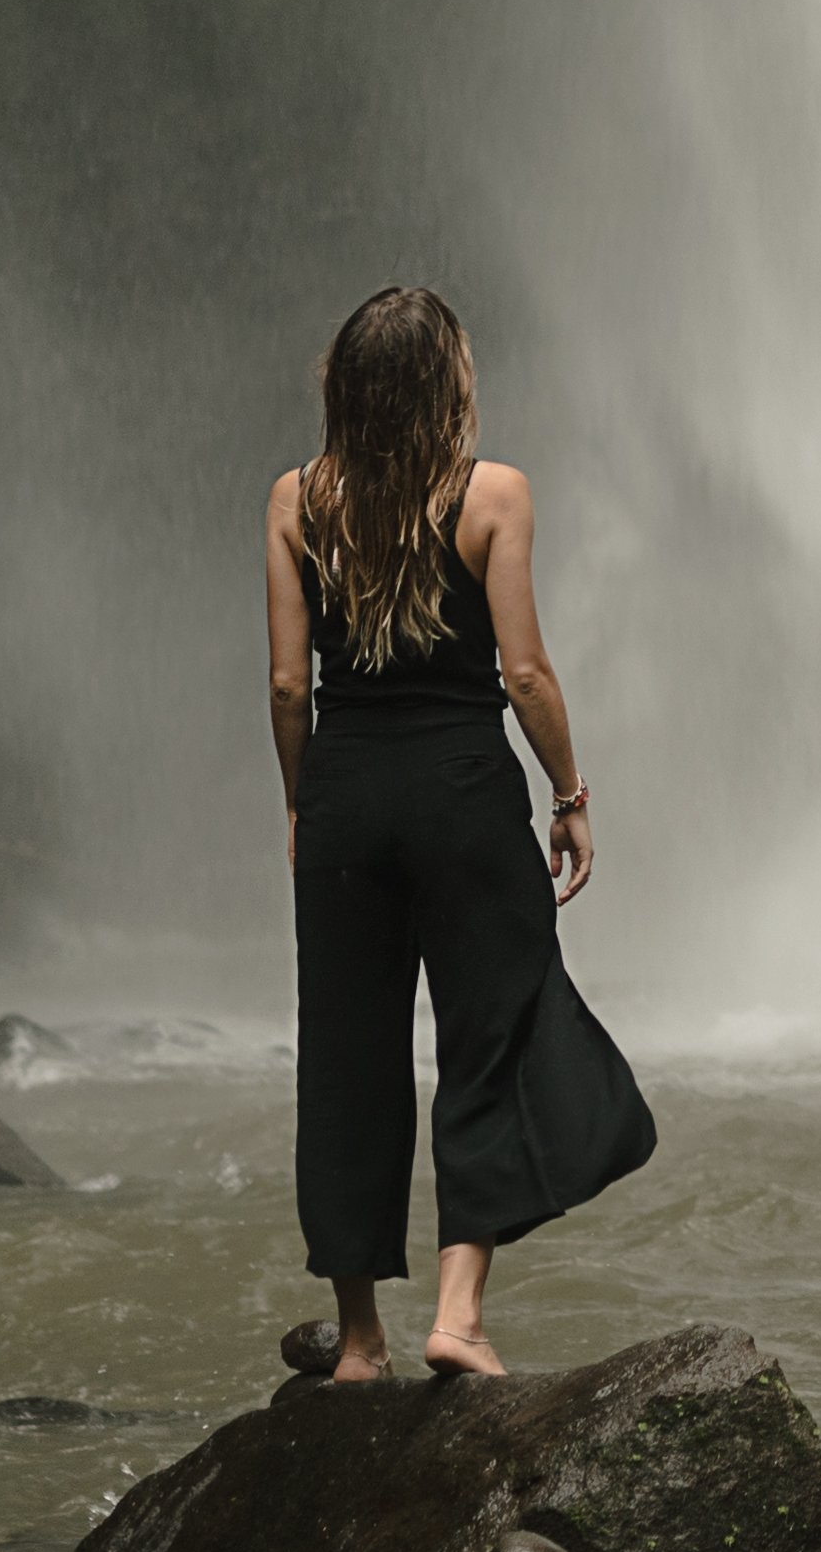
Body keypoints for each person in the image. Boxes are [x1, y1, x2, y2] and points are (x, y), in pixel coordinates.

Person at [267, 282, 643, 1381]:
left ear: (344, 385)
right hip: (467, 792)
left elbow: (291, 683)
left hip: (345, 792)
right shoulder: (492, 495)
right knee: (489, 1034)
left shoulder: (297, 500)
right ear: (448, 386)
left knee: (346, 1054)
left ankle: (359, 1341)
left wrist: (302, 796)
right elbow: (522, 670)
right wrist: (570, 793)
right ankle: (458, 1313)